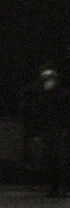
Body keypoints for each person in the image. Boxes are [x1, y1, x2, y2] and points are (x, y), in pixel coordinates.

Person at [36, 65, 70, 197]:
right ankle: (58, 188)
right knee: (55, 161)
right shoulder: (53, 96)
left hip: (59, 132)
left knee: (59, 160)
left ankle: (59, 188)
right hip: (55, 132)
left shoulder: (58, 96)